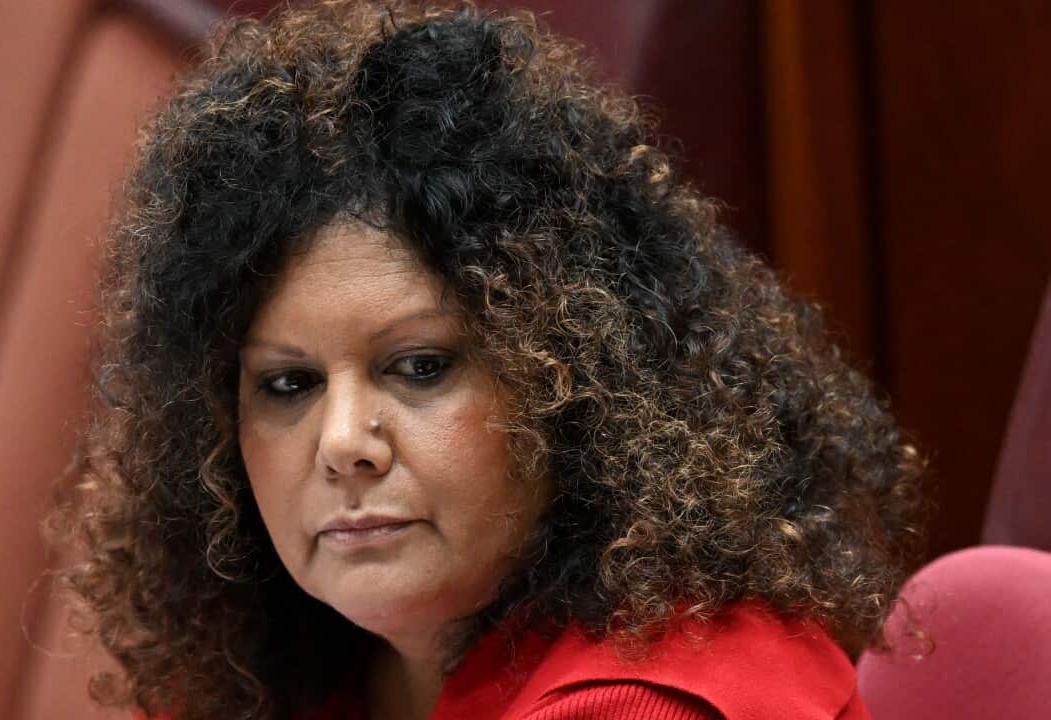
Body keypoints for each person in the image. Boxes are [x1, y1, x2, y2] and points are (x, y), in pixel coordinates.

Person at [48, 2, 925, 718]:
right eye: (288, 385)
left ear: (576, 385)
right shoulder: (271, 678)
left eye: (420, 366)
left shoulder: (645, 703)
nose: (342, 441)